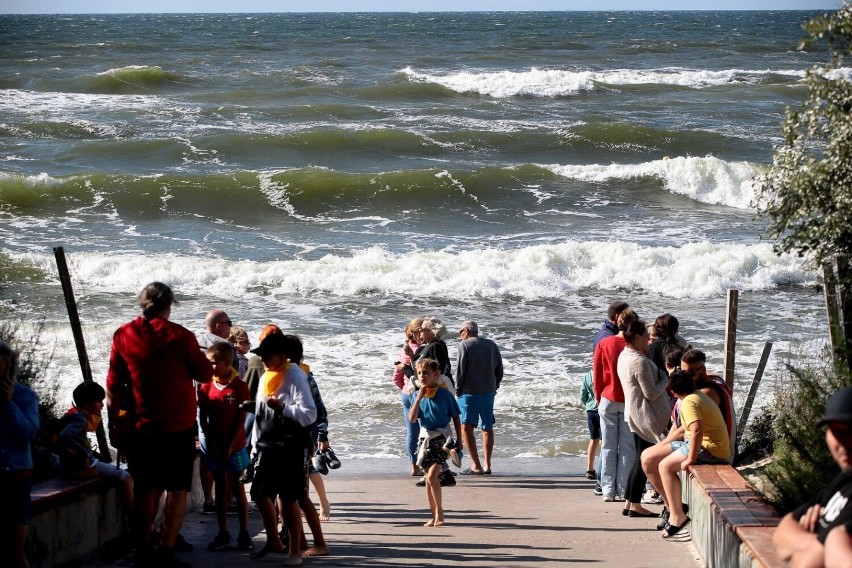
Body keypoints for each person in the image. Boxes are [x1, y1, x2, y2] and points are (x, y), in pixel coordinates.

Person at [106, 282, 213, 568]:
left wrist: (112, 425)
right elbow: (203, 373)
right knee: (177, 490)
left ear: (143, 304)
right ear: (169, 306)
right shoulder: (180, 336)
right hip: (177, 427)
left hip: (141, 428)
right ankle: (165, 550)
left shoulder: (124, 334)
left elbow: (113, 386)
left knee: (145, 489)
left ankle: (143, 548)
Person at [248, 333, 316, 567]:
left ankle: (295, 552)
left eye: (268, 355)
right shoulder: (268, 374)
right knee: (258, 493)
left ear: (282, 355)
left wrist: (283, 408)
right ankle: (273, 541)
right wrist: (254, 444)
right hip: (267, 443)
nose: (264, 360)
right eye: (262, 356)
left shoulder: (295, 374)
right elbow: (260, 411)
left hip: (290, 445)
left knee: (289, 498)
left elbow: (310, 414)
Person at [641, 369, 731, 539]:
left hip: (711, 449)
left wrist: (690, 458)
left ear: (673, 392)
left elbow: (697, 431)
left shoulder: (689, 402)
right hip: (695, 443)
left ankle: (677, 516)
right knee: (648, 457)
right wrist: (662, 445)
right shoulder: (696, 396)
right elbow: (686, 429)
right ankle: (674, 505)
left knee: (665, 466)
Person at [773, 387, 852, 566]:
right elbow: (782, 532)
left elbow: (805, 563)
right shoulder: (843, 481)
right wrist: (816, 541)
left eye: (851, 432)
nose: (844, 443)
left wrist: (810, 546)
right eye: (837, 432)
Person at [198, 342, 252, 552]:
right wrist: (212, 441)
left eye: (212, 363)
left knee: (237, 488)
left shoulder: (240, 386)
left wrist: (229, 445)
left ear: (226, 362)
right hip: (215, 446)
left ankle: (244, 533)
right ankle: (223, 533)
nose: (209, 366)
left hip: (235, 446)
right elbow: (203, 418)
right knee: (220, 489)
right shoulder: (205, 386)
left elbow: (241, 419)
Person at [616, 320, 670, 518]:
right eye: (647, 336)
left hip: (634, 412)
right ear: (637, 337)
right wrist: (665, 377)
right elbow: (651, 393)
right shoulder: (638, 361)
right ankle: (635, 505)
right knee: (643, 460)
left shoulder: (624, 355)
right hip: (645, 415)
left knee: (639, 458)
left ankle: (630, 503)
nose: (649, 339)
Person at [57, 381, 133, 510]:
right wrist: (83, 453)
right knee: (125, 476)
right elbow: (65, 436)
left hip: (69, 462)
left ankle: (85, 472)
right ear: (87, 403)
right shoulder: (80, 419)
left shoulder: (72, 414)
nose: (102, 405)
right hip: (84, 461)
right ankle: (134, 513)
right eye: (99, 401)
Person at [408, 358, 463, 527]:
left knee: (432, 476)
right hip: (425, 439)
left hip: (442, 438)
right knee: (428, 478)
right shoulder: (417, 395)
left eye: (426, 373)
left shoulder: (445, 394)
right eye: (419, 373)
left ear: (436, 374)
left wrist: (459, 440)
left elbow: (455, 416)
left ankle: (440, 513)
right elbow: (412, 419)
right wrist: (418, 398)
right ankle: (433, 515)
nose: (422, 376)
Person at [0, 342, 39, 568]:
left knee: (15, 552)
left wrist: (8, 405)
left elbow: (28, 432)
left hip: (16, 478)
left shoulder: (25, 396)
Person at [593, 307, 638, 502]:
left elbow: (598, 374)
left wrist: (598, 397)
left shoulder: (605, 342)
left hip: (608, 397)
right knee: (628, 447)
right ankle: (623, 489)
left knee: (608, 447)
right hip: (628, 399)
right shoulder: (634, 345)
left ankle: (607, 491)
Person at [196, 309, 234, 514]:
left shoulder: (196, 342)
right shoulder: (224, 347)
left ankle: (209, 500)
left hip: (201, 403)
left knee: (206, 454)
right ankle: (226, 499)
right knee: (225, 454)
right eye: (229, 322)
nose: (231, 325)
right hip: (221, 405)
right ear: (219, 325)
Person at [455, 320, 503, 475]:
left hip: (469, 392)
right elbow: (499, 368)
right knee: (487, 427)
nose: (460, 335)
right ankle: (487, 464)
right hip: (488, 391)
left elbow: (460, 370)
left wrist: (458, 389)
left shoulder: (464, 345)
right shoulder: (491, 345)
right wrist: (495, 385)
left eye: (460, 331)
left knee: (466, 427)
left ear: (467, 331)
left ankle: (476, 465)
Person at [680, 348, 736, 462]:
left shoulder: (706, 393)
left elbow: (687, 429)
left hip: (719, 454)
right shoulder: (716, 380)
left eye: (690, 373)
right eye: (682, 373)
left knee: (657, 461)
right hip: (723, 447)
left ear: (703, 370)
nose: (685, 378)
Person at [393, 317, 423, 477]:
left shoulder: (404, 350)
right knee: (429, 429)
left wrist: (405, 389)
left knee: (412, 432)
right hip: (419, 393)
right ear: (417, 333)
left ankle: (414, 466)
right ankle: (430, 463)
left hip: (406, 394)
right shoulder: (423, 350)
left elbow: (396, 378)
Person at [406, 316, 453, 383]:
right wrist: (411, 355)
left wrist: (405, 369)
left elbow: (434, 374)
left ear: (432, 331)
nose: (419, 331)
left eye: (422, 329)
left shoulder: (436, 346)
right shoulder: (427, 345)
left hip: (433, 390)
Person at [579, 370, 601, 484]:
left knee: (593, 439)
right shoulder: (603, 373)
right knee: (603, 441)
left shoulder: (587, 375)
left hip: (591, 410)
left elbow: (582, 395)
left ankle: (589, 469)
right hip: (602, 409)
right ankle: (603, 468)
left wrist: (588, 404)